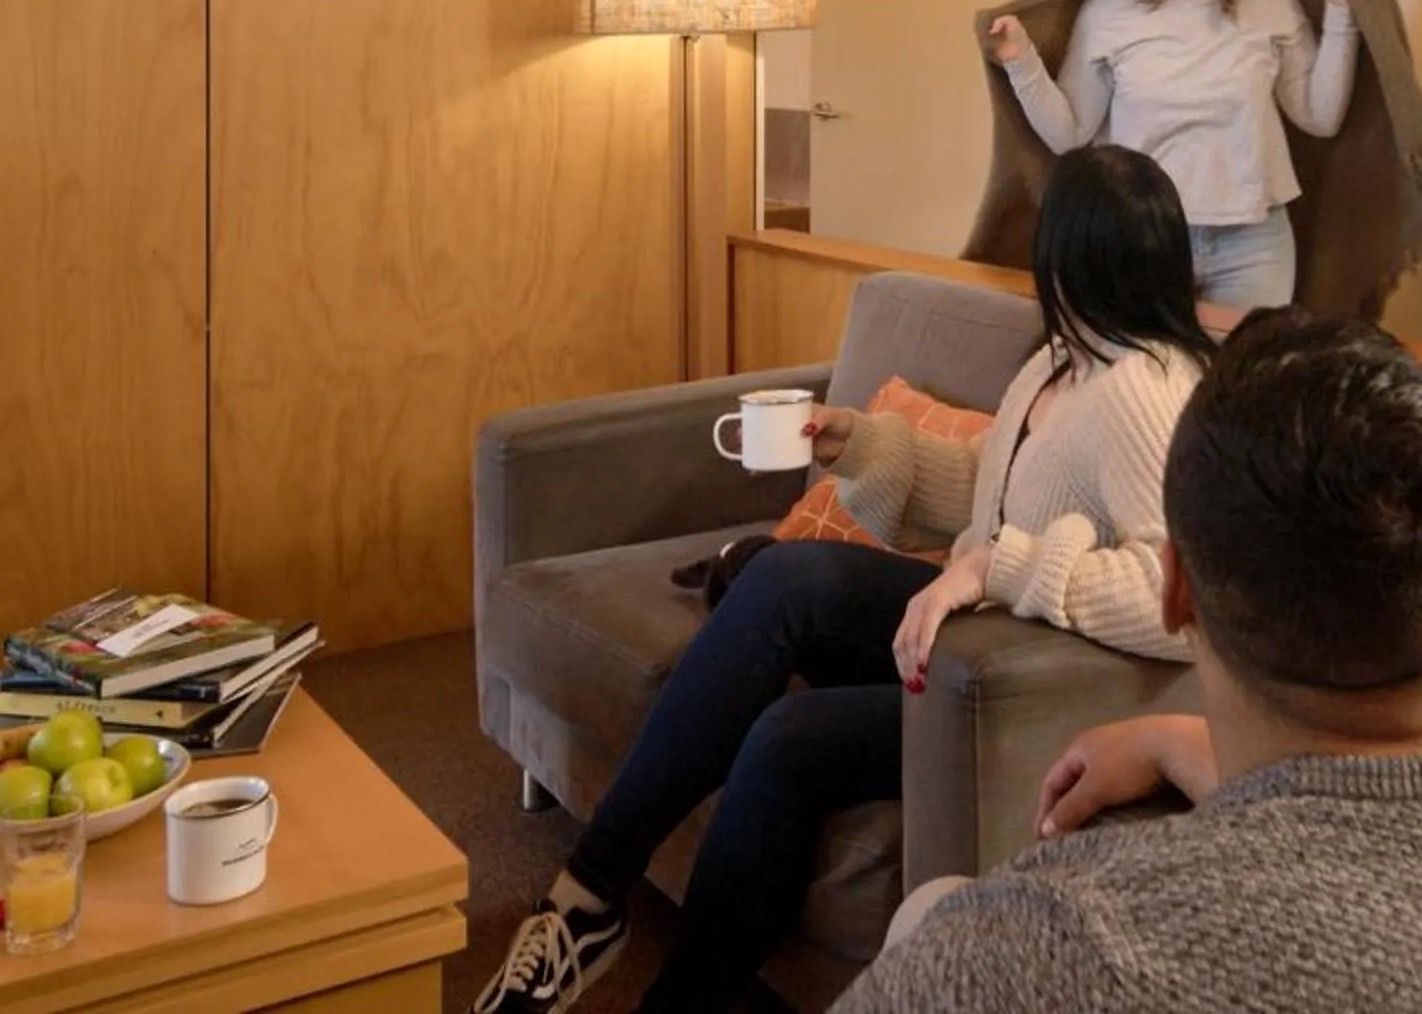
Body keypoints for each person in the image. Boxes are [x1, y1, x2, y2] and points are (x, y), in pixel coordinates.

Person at [471, 143, 1212, 1014]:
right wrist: (854, 442)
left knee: (790, 736)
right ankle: (590, 900)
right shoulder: (1060, 363)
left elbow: (1174, 602)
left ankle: (652, 970)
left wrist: (997, 566)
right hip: (971, 634)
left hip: (1020, 689)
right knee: (782, 582)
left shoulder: (1146, 391)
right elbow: (986, 490)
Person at [831, 307, 1422, 1013]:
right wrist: (1178, 740)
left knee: (927, 910)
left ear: (1176, 597)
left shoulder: (1039, 954)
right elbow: (1370, 811)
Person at [988, 0, 1356, 307]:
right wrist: (1021, 60)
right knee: (1144, 380)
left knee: (1241, 380)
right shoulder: (1107, 11)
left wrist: (1343, 17)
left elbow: (1320, 118)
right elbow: (1069, 134)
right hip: (1139, 239)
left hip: (1253, 244)